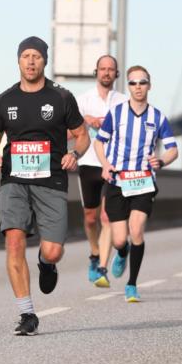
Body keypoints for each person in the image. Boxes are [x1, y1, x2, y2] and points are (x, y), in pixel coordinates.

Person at [0, 36, 89, 335]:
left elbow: (82, 135)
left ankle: (46, 263)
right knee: (14, 241)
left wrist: (74, 154)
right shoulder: (5, 100)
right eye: (26, 56)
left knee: (54, 250)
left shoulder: (61, 97)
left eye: (37, 56)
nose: (31, 61)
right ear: (18, 60)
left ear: (45, 60)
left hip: (51, 180)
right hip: (14, 180)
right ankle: (27, 313)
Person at [94, 65, 178, 302]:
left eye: (142, 82)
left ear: (149, 85)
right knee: (120, 239)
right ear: (128, 86)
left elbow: (173, 149)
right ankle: (122, 251)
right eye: (133, 83)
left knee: (137, 229)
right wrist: (105, 165)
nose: (138, 87)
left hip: (143, 181)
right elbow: (99, 143)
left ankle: (132, 284)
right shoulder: (116, 113)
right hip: (117, 181)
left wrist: (162, 160)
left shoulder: (158, 117)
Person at [76, 55, 128, 287]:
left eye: (111, 69)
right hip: (88, 162)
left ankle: (103, 267)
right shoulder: (82, 100)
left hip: (114, 164)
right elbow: (68, 133)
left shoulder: (124, 101)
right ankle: (95, 254)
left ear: (116, 74)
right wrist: (85, 121)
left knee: (107, 217)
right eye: (102, 69)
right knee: (90, 218)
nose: (106, 73)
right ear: (96, 72)